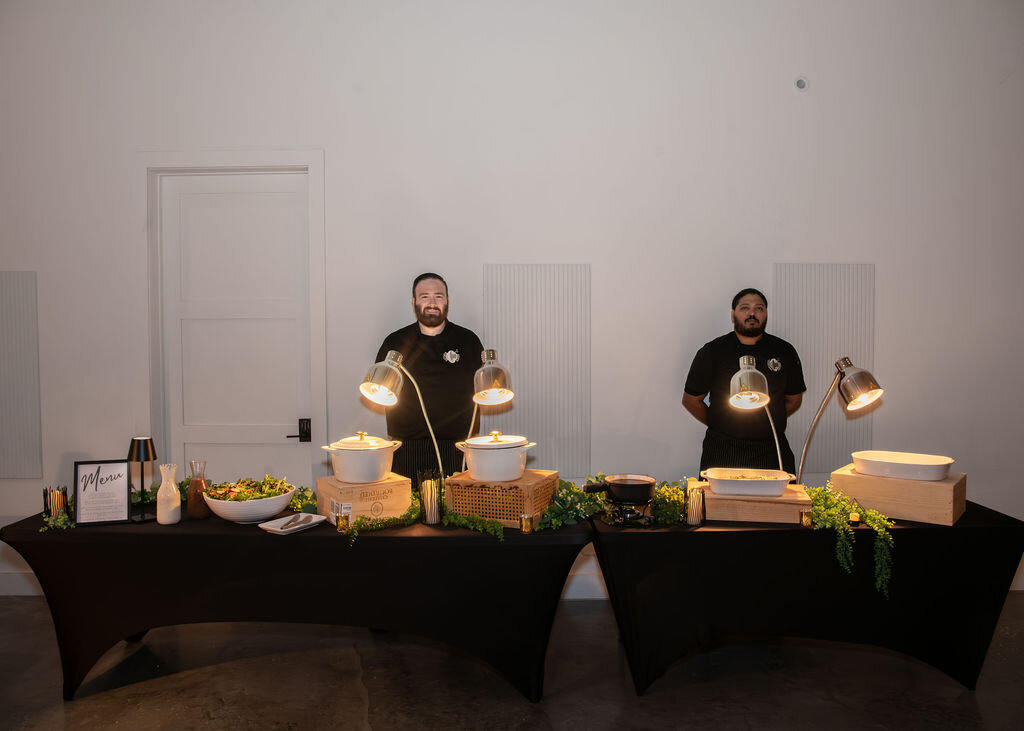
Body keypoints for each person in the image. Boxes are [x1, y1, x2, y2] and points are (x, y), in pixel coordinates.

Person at [373, 273, 484, 483]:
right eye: (425, 296)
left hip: (457, 449)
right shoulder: (395, 343)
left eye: (438, 296)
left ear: (447, 301)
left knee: (456, 503)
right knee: (408, 504)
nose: (432, 303)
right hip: (407, 449)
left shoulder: (468, 341)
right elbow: (379, 388)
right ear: (414, 301)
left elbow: (484, 390)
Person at [682, 288, 806, 474]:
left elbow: (794, 400)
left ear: (766, 314)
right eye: (745, 308)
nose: (752, 313)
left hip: (772, 448)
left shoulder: (784, 351)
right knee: (716, 494)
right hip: (723, 448)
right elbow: (691, 400)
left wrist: (769, 420)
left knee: (782, 493)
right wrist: (720, 422)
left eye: (759, 308)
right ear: (733, 314)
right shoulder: (713, 351)